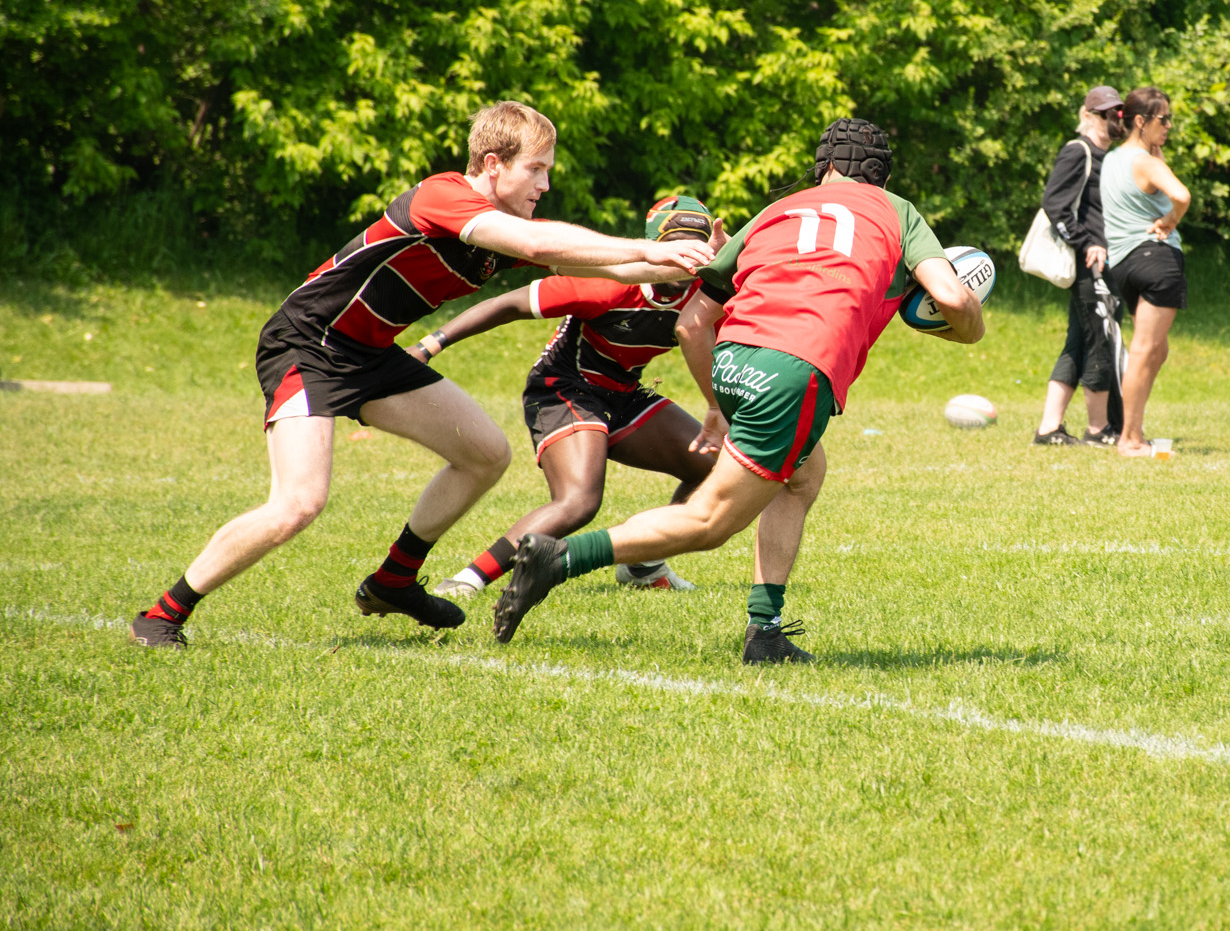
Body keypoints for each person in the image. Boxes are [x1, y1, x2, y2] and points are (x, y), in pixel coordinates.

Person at [126, 101, 714, 649]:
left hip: (370, 352)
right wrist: (650, 248)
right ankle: (163, 614)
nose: (546, 184)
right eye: (536, 169)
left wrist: (687, 263)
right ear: (493, 164)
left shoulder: (499, 226)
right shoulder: (445, 197)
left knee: (484, 453)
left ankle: (394, 580)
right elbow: (537, 240)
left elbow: (584, 258)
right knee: (299, 504)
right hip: (308, 345)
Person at [490, 118, 986, 662]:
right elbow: (954, 299)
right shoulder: (896, 210)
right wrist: (970, 327)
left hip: (734, 360)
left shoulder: (775, 211)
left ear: (824, 170)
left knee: (803, 474)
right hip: (795, 369)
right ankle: (559, 558)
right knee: (709, 521)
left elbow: (692, 324)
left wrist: (715, 404)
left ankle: (765, 632)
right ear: (880, 177)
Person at [414, 195, 726, 600]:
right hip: (564, 389)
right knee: (578, 501)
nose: (686, 255)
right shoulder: (608, 282)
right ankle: (468, 579)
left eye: (697, 244)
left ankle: (644, 565)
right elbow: (506, 305)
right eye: (676, 243)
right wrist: (427, 348)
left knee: (718, 464)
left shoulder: (709, 293)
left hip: (624, 395)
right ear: (655, 243)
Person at [1101, 86, 1191, 457]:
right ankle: (1129, 438)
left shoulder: (1112, 159)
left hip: (1123, 266)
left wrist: (1156, 149)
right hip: (1157, 260)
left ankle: (1134, 432)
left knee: (1156, 350)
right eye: (1162, 119)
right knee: (1144, 351)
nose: (1168, 126)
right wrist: (1171, 220)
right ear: (1140, 121)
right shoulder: (1148, 163)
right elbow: (1182, 195)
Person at [1032, 84, 1124, 447]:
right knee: (1100, 339)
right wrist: (1087, 243)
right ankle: (1099, 430)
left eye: (1116, 113)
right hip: (1090, 263)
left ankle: (1048, 428)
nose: (1112, 120)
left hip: (1103, 263)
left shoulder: (1111, 157)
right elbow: (1054, 203)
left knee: (1079, 341)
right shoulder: (1079, 151)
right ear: (1087, 115)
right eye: (1103, 114)